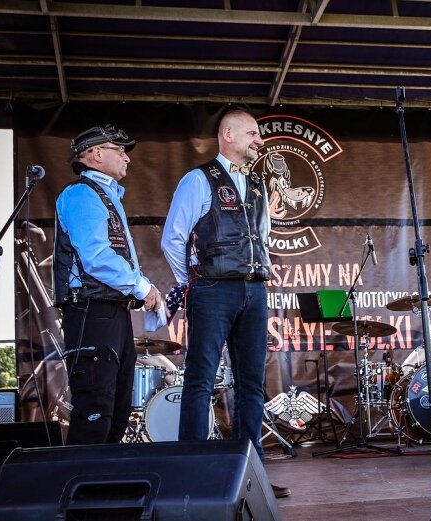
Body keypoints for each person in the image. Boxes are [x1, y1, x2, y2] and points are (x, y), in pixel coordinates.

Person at [161, 110, 289, 498]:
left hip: (253, 292)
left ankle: (253, 473)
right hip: (212, 290)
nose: (259, 141)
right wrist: (191, 285)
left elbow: (262, 240)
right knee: (200, 381)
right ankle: (192, 471)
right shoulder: (198, 180)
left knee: (252, 384)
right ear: (227, 134)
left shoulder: (257, 187)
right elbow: (173, 239)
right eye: (252, 133)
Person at [53, 124, 162, 445]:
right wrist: (143, 287)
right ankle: (81, 489)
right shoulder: (81, 194)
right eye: (120, 150)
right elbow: (96, 256)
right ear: (96, 154)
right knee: (95, 406)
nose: (127, 158)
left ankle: (104, 485)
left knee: (116, 405)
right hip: (90, 310)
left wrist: (139, 288)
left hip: (110, 311)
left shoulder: (106, 196)